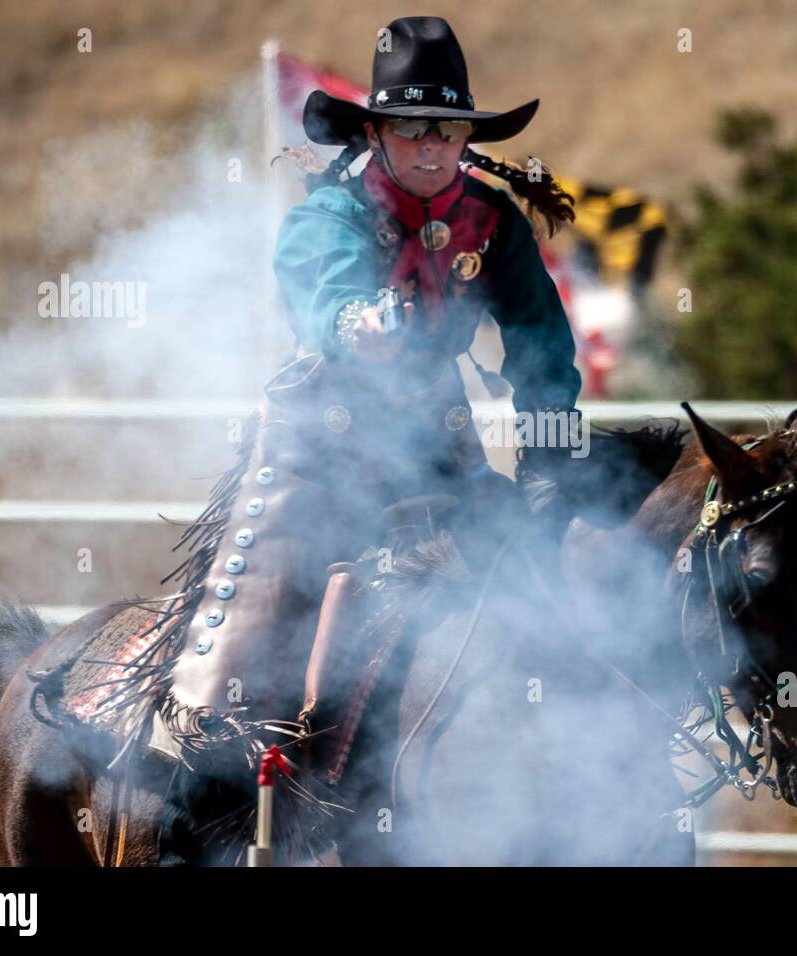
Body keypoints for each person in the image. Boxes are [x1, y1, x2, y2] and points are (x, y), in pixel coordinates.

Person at [161, 16, 584, 751]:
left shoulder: (495, 221)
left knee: (530, 593)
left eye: (448, 131)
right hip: (318, 456)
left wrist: (548, 456)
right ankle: (175, 787)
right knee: (237, 655)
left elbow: (541, 345)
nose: (432, 147)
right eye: (414, 128)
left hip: (442, 453)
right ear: (376, 133)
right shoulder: (328, 214)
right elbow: (328, 299)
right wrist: (358, 324)